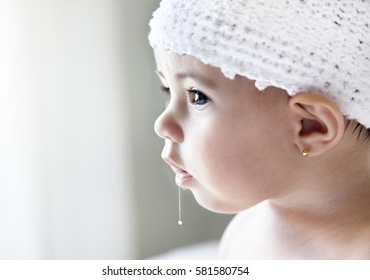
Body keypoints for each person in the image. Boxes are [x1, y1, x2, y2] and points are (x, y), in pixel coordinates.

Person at [148, 0, 370, 259]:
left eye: (198, 97)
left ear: (310, 127)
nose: (162, 125)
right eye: (167, 90)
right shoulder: (247, 231)